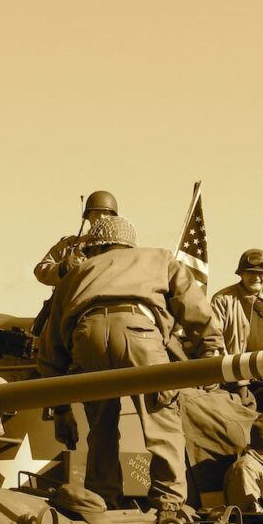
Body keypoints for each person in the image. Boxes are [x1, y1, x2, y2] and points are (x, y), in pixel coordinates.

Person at [37, 215, 219, 507]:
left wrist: (61, 410)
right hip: (139, 334)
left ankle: (102, 497)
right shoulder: (160, 259)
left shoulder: (76, 273)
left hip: (87, 337)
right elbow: (194, 306)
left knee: (101, 427)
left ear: (96, 247)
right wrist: (210, 353)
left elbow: (52, 346)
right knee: (161, 418)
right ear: (130, 244)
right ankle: (169, 502)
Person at [32, 190, 118, 287]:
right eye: (96, 213)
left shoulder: (120, 246)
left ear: (114, 218)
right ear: (88, 217)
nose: (101, 217)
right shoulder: (68, 245)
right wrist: (62, 268)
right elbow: (40, 270)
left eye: (106, 213)